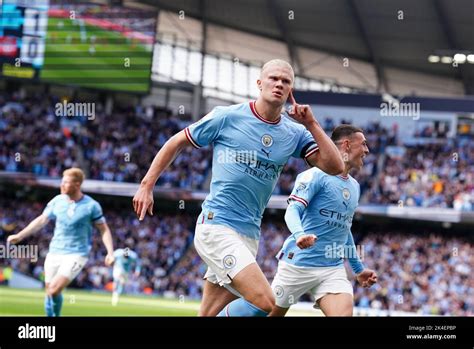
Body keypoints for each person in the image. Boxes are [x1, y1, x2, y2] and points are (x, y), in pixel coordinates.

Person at [133, 59, 344, 317]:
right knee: (266, 303)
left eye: (286, 81)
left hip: (249, 234)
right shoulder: (227, 116)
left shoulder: (294, 132)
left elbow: (335, 167)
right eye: (273, 78)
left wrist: (312, 124)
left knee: (208, 314)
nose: (279, 84)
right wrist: (147, 184)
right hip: (217, 226)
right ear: (259, 83)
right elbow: (177, 141)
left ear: (291, 91)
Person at [269, 125, 377, 316]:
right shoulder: (315, 175)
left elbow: (344, 229)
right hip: (298, 265)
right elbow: (292, 210)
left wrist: (358, 269)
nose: (367, 150)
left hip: (331, 269)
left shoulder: (354, 186)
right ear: (346, 145)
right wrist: (300, 235)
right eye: (363, 144)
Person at [7, 168, 115, 316]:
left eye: (66, 182)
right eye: (61, 182)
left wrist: (109, 252)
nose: (61, 185)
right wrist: (20, 235)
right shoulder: (57, 201)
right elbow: (41, 220)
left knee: (54, 289)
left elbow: (104, 229)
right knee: (49, 292)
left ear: (77, 184)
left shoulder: (91, 206)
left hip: (76, 254)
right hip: (54, 252)